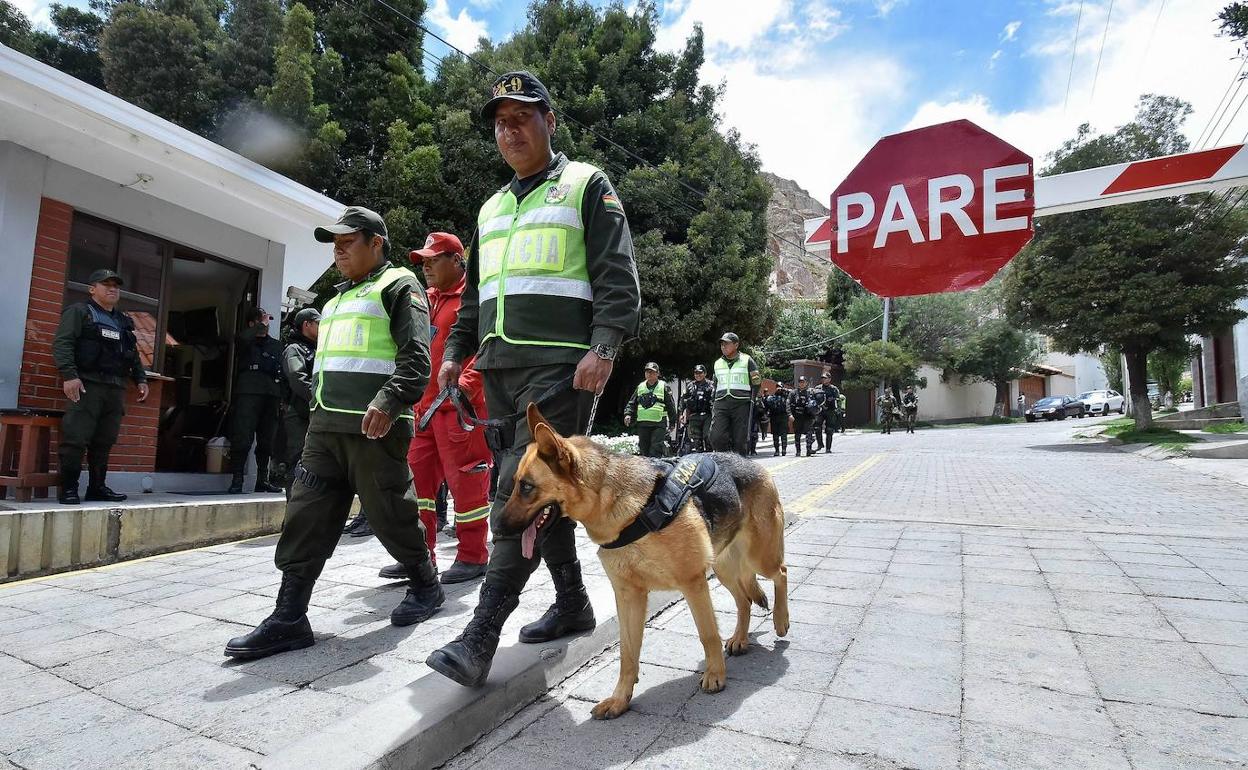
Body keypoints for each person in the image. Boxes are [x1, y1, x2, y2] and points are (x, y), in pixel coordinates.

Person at [425, 71, 641, 688]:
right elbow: (475, 300)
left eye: (521, 117)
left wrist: (604, 347)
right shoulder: (491, 208)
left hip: (560, 370)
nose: (509, 130)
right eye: (500, 122)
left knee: (516, 497)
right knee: (538, 495)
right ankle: (572, 604)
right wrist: (454, 353)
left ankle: (480, 636)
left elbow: (616, 277)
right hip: (497, 375)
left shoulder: (585, 185)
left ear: (549, 120)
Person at [224, 206, 443, 660]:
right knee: (306, 516)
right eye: (335, 243)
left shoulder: (400, 285)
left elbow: (417, 360)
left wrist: (388, 400)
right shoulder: (335, 298)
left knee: (388, 512)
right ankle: (289, 616)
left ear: (375, 242)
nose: (339, 250)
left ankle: (425, 584)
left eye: (348, 241)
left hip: (375, 428)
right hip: (324, 429)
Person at [378, 232, 492, 586]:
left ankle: (473, 556)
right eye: (422, 261)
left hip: (458, 410)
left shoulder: (474, 301)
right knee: (418, 487)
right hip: (421, 409)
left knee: (467, 483)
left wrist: (464, 390)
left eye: (433, 259)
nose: (425, 267)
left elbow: (488, 348)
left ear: (457, 261)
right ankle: (419, 556)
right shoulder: (424, 300)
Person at [53, 269, 149, 504]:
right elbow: (62, 343)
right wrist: (69, 375)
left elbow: (132, 353)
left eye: (116, 285)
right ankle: (69, 489)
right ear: (92, 289)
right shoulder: (80, 312)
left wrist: (141, 379)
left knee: (104, 440)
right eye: (106, 284)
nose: (112, 288)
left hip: (115, 388)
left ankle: (97, 487)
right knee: (76, 437)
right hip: (87, 385)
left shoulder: (122, 320)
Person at [228, 307, 285, 494]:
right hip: (248, 393)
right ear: (252, 323)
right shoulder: (245, 341)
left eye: (267, 321)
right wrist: (259, 325)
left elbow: (283, 372)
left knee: (267, 441)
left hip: (271, 395)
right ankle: (237, 479)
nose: (266, 324)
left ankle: (262, 480)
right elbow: (242, 339)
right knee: (243, 438)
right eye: (262, 320)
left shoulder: (276, 345)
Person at [280, 307, 319, 494]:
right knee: (298, 462)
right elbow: (298, 379)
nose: (323, 327)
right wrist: (320, 399)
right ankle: (293, 516)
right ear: (307, 324)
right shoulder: (294, 349)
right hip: (298, 414)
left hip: (313, 414)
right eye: (319, 323)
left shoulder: (318, 349)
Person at [710, 332, 760, 455]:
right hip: (721, 403)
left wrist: (752, 400)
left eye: (726, 343)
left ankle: (739, 466)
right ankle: (724, 460)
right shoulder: (717, 363)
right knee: (716, 437)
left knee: (740, 440)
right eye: (722, 344)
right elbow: (715, 384)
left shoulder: (747, 360)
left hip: (741, 403)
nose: (723, 346)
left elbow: (756, 382)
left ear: (736, 345)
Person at [624, 362, 677, 458]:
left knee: (655, 449)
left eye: (652, 372)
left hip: (658, 423)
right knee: (644, 449)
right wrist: (628, 414)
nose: (649, 374)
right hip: (643, 423)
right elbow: (632, 402)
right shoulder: (640, 386)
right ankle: (646, 470)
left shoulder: (663, 386)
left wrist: (673, 422)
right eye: (647, 372)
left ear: (657, 374)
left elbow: (671, 405)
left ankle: (655, 471)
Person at [679, 364, 714, 454]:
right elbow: (683, 400)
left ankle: (709, 457)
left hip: (707, 415)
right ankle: (699, 457)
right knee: (696, 439)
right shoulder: (690, 386)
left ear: (705, 373)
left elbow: (715, 400)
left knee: (708, 436)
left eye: (700, 373)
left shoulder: (711, 385)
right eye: (696, 373)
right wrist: (681, 414)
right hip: (694, 416)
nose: (698, 375)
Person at [790, 376, 819, 456]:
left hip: (808, 416)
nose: (802, 383)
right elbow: (788, 404)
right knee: (797, 434)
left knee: (809, 433)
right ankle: (798, 451)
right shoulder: (793, 393)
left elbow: (816, 403)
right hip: (797, 416)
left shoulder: (811, 392)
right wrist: (790, 415)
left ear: (806, 383)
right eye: (800, 382)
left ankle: (808, 450)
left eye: (803, 382)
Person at [764, 382, 791, 456]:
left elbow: (793, 393)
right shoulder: (772, 397)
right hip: (774, 417)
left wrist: (785, 390)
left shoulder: (787, 396)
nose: (778, 388)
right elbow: (767, 404)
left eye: (780, 387)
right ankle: (777, 450)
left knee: (783, 435)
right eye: (777, 387)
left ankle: (784, 450)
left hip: (783, 417)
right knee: (775, 436)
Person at [816, 372, 840, 452]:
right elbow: (814, 397)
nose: (823, 379)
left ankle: (828, 448)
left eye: (825, 378)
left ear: (829, 379)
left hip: (830, 410)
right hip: (820, 411)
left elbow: (838, 398)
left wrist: (833, 399)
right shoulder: (818, 388)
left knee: (829, 430)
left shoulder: (834, 389)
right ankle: (820, 444)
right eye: (822, 378)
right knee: (817, 428)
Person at [749, 387, 770, 456]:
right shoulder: (746, 397)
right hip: (745, 419)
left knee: (754, 435)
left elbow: (762, 410)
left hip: (755, 420)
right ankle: (746, 449)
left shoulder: (758, 399)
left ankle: (752, 450)